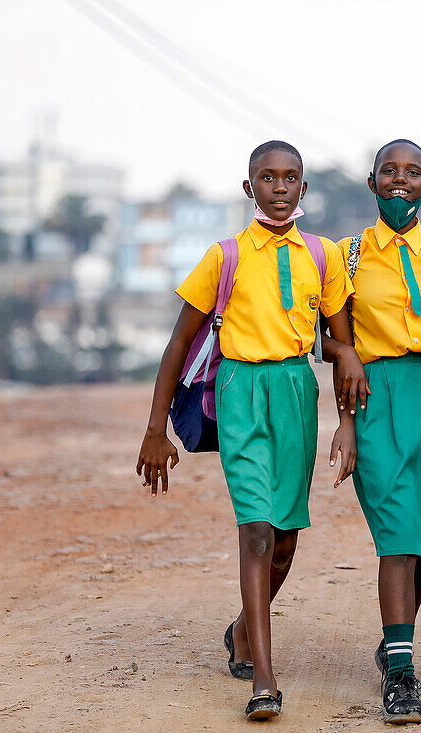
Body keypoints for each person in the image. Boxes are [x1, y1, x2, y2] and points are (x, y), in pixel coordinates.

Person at [135, 140, 357, 721]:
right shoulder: (225, 256)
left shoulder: (324, 255)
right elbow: (179, 341)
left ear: (304, 188)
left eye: (290, 178)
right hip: (240, 393)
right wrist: (154, 429)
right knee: (256, 528)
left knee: (285, 538)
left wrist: (348, 410)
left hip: (295, 395)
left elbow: (339, 342)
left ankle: (239, 629)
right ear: (248, 187)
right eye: (267, 177)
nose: (279, 187)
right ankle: (264, 674)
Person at [331, 139, 421, 725]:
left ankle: (395, 640)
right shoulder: (348, 254)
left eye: (412, 172)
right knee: (397, 533)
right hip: (377, 396)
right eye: (389, 171)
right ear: (372, 182)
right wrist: (345, 384)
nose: (400, 180)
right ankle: (402, 676)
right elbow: (329, 335)